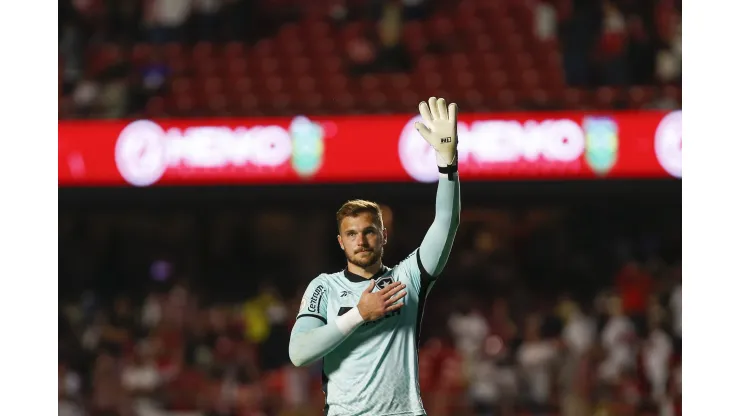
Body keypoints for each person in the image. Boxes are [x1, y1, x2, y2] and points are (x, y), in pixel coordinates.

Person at [288, 97, 462, 416]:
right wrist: (359, 313)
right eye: (352, 234)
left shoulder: (407, 278)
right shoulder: (323, 288)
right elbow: (299, 353)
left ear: (383, 236)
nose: (361, 240)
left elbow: (445, 224)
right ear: (341, 242)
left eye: (369, 231)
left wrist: (447, 168)